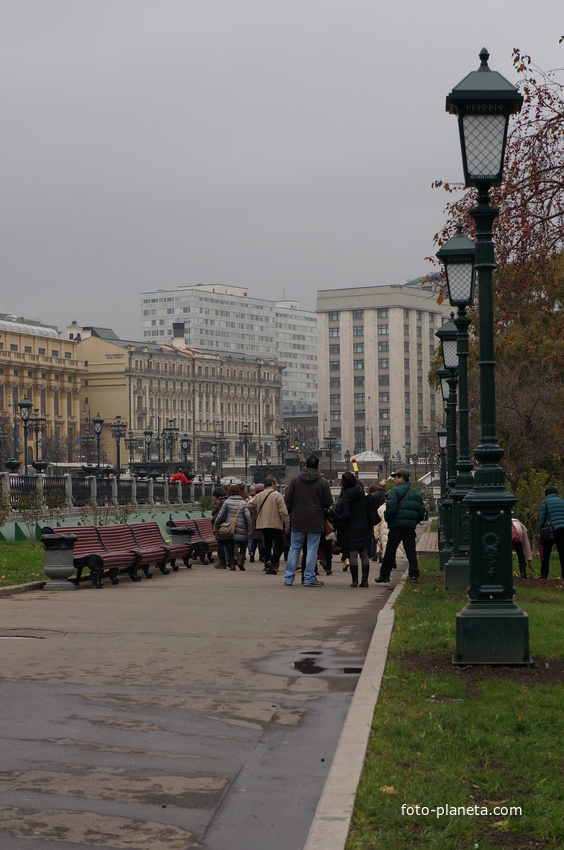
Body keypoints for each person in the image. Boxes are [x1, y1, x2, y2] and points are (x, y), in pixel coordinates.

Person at [283, 455, 332, 587]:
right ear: (317, 466)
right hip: (315, 520)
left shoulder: (294, 480)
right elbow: (328, 501)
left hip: (298, 519)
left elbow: (288, 500)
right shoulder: (323, 482)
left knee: (294, 548)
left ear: (305, 466)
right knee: (311, 549)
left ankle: (288, 578)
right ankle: (309, 578)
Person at [375, 468, 425, 584]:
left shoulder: (395, 491)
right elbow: (421, 511)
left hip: (396, 526)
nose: (395, 480)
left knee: (390, 551)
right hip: (409, 527)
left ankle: (385, 575)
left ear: (402, 478)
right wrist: (413, 521)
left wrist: (388, 518)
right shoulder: (416, 493)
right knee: (411, 551)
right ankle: (413, 574)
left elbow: (391, 509)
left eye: (396, 478)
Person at [335, 472, 372, 587]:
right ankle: (365, 580)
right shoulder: (361, 491)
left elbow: (346, 515)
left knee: (353, 554)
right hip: (364, 525)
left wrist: (337, 518)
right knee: (364, 554)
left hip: (352, 527)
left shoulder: (346, 495)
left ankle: (355, 580)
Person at [247, 475, 290, 575]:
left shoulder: (259, 495)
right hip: (275, 524)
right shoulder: (277, 495)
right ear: (272, 484)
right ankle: (272, 561)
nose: (276, 485)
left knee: (267, 545)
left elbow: (249, 505)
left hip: (263, 524)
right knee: (279, 545)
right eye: (275, 483)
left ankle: (267, 566)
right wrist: (287, 523)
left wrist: (256, 511)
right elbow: (283, 511)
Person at [213, 484, 252, 571]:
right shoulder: (243, 503)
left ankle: (232, 564)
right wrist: (250, 529)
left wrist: (216, 526)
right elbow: (248, 516)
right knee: (243, 543)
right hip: (242, 527)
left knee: (230, 544)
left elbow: (219, 515)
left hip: (230, 527)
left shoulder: (227, 502)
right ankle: (240, 560)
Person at [537, 486, 564, 579]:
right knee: (562, 552)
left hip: (550, 529)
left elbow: (542, 518)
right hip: (562, 529)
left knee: (546, 552)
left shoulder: (545, 502)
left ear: (547, 494)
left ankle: (544, 574)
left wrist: (539, 530)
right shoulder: (562, 501)